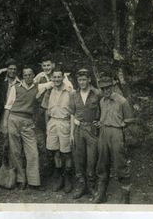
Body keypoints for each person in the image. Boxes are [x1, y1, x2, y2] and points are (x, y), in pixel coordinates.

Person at [92, 76, 135, 204]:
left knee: (120, 163)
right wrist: (101, 123)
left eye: (108, 87)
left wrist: (118, 126)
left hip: (116, 133)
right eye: (103, 88)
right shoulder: (102, 101)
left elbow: (129, 120)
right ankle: (101, 193)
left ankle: (125, 194)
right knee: (102, 162)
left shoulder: (122, 101)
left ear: (113, 86)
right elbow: (101, 117)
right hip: (103, 133)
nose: (106, 90)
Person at [1, 67, 44, 191]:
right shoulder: (15, 88)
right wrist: (4, 124)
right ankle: (21, 179)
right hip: (13, 119)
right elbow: (8, 107)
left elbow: (52, 82)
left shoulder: (38, 87)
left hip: (28, 122)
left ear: (33, 76)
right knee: (15, 151)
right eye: (25, 75)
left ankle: (34, 181)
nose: (28, 77)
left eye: (30, 75)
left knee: (32, 151)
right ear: (23, 76)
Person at [69, 68, 102, 199]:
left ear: (89, 79)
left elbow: (103, 109)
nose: (82, 82)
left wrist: (100, 122)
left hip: (92, 130)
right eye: (79, 80)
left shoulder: (97, 93)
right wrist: (71, 133)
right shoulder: (73, 95)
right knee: (79, 159)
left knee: (92, 159)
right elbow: (71, 114)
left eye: (84, 79)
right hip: (78, 130)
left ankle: (91, 186)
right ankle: (81, 186)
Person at [42, 67, 74, 193]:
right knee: (55, 152)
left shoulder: (70, 91)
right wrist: (47, 127)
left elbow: (73, 113)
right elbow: (46, 111)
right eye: (54, 77)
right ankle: (59, 178)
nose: (56, 79)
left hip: (65, 122)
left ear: (63, 77)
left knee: (66, 153)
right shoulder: (49, 91)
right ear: (51, 78)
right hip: (52, 123)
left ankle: (68, 179)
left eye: (59, 77)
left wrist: (72, 131)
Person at [0, 58, 21, 132]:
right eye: (10, 69)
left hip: (16, 112)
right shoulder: (2, 82)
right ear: (7, 70)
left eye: (14, 69)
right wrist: (1, 70)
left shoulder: (20, 82)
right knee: (4, 133)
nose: (12, 71)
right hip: (4, 111)